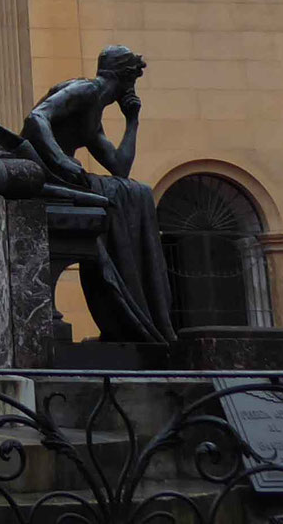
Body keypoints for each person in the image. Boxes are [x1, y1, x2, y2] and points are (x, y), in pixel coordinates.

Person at [20, 45, 179, 346]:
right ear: (126, 79)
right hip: (43, 171)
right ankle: (140, 312)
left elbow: (120, 167)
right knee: (136, 196)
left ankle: (137, 311)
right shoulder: (85, 90)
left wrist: (133, 121)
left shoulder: (93, 118)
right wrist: (62, 160)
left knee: (136, 194)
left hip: (65, 177)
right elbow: (36, 119)